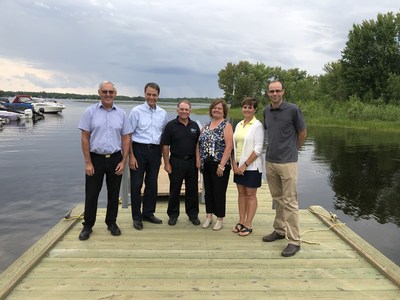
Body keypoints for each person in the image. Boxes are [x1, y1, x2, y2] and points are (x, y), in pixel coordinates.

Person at [78, 80, 132, 240]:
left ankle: (111, 222)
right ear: (99, 93)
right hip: (95, 159)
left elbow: (126, 139)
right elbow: (85, 137)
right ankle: (88, 226)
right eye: (105, 91)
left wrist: (124, 161)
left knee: (114, 193)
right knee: (92, 193)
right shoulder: (90, 112)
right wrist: (88, 162)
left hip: (115, 158)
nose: (108, 95)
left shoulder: (121, 114)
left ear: (115, 94)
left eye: (111, 92)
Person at [262, 80, 307, 257]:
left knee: (289, 201)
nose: (274, 94)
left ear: (283, 92)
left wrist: (294, 149)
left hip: (288, 162)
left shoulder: (293, 110)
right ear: (268, 93)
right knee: (277, 199)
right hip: (270, 160)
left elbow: (302, 133)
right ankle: (279, 230)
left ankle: (295, 241)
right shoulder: (266, 111)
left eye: (277, 91)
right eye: (271, 91)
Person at [128, 82, 169, 230]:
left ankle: (148, 213)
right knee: (136, 184)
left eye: (154, 94)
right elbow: (129, 135)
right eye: (149, 94)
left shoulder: (162, 113)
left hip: (155, 151)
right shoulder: (136, 111)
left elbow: (164, 135)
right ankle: (136, 217)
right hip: (138, 150)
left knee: (152, 184)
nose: (151, 97)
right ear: (145, 94)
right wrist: (130, 156)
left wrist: (162, 157)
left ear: (158, 96)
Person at [161, 100, 201, 226]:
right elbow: (165, 145)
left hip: (191, 162)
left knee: (192, 190)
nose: (184, 112)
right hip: (176, 161)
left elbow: (198, 145)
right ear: (177, 110)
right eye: (182, 109)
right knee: (174, 189)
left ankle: (193, 214)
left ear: (190, 111)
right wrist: (167, 163)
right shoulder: (170, 126)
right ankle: (173, 215)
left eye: (186, 109)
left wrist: (198, 160)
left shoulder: (194, 126)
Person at [231, 97, 264, 236]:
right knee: (241, 193)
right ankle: (241, 220)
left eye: (250, 107)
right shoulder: (239, 124)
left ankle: (249, 224)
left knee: (251, 195)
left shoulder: (257, 125)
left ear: (254, 109)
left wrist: (244, 165)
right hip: (238, 166)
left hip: (251, 167)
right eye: (245, 107)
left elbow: (258, 149)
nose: (247, 109)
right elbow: (234, 145)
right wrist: (234, 163)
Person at [198, 99, 233, 231]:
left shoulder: (226, 125)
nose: (216, 110)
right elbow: (199, 143)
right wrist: (199, 160)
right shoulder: (206, 125)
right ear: (211, 110)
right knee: (208, 192)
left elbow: (229, 146)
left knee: (219, 192)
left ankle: (220, 219)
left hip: (220, 165)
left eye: (219, 108)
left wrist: (222, 165)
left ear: (224, 111)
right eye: (214, 108)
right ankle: (208, 216)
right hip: (206, 164)